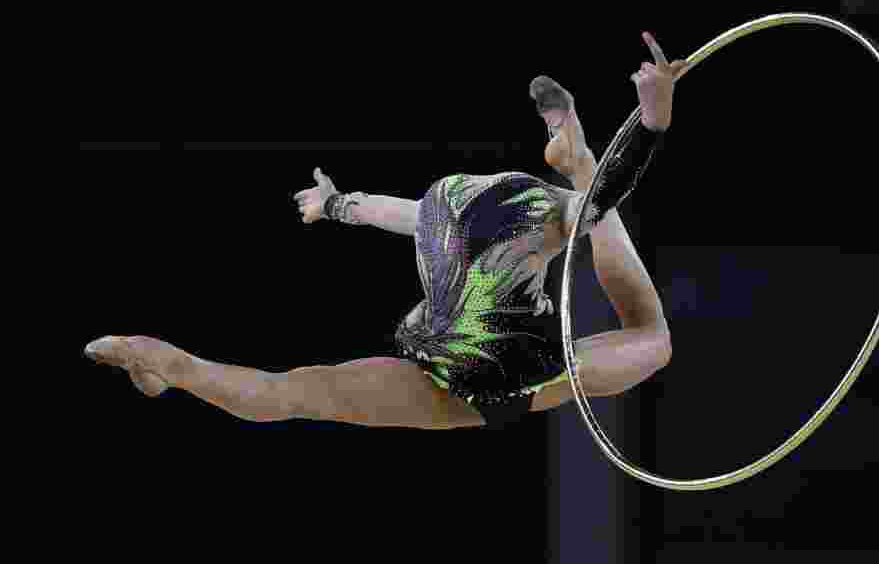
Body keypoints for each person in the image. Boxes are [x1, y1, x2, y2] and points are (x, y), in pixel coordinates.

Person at [85, 32, 690, 430]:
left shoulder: (435, 208)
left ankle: (168, 363)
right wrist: (651, 120)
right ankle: (577, 152)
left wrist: (332, 203)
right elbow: (607, 196)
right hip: (525, 379)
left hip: (439, 373)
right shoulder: (539, 215)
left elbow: (376, 209)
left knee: (291, 392)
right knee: (652, 335)